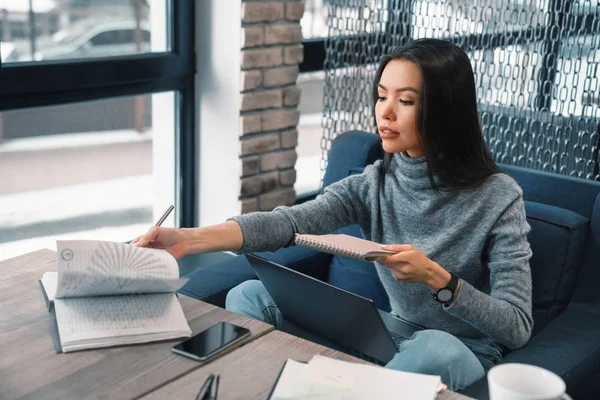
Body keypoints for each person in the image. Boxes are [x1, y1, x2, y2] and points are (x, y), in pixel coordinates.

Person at [132, 38, 533, 391]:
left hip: (460, 352)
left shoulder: (499, 197)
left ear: (445, 111)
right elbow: (287, 223)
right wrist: (188, 239)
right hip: (390, 336)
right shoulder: (373, 184)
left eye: (406, 101)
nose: (386, 112)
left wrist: (439, 280)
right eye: (381, 95)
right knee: (248, 295)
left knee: (436, 347)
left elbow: (516, 326)